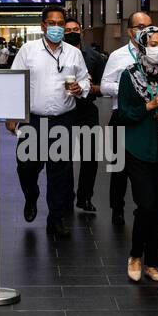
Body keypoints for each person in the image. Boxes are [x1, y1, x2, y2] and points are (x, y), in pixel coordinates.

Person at [8, 7, 91, 239]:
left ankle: (55, 219)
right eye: (51, 23)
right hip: (33, 120)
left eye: (60, 23)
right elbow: (15, 82)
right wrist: (12, 115)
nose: (56, 27)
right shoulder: (28, 50)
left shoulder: (74, 53)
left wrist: (80, 88)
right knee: (27, 166)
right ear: (43, 25)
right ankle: (31, 195)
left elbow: (84, 80)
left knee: (59, 172)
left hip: (63, 119)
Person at [117, 26, 158, 281]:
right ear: (142, 45)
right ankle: (135, 255)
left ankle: (153, 262)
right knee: (145, 204)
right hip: (138, 147)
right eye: (153, 43)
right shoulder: (129, 75)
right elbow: (124, 114)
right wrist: (150, 105)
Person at [100, 11, 153, 226]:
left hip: (149, 119)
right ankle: (117, 209)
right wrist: (129, 89)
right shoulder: (118, 56)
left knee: (147, 168)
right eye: (140, 27)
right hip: (122, 118)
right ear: (130, 31)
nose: (145, 31)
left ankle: (146, 210)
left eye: (149, 27)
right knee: (119, 168)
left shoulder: (157, 53)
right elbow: (104, 85)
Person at [64, 20, 105, 213]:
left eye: (75, 30)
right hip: (64, 111)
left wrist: (87, 87)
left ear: (81, 32)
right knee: (63, 157)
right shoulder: (56, 56)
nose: (72, 33)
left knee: (90, 158)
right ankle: (66, 196)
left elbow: (104, 87)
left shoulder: (95, 57)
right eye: (67, 30)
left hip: (87, 111)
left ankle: (85, 197)